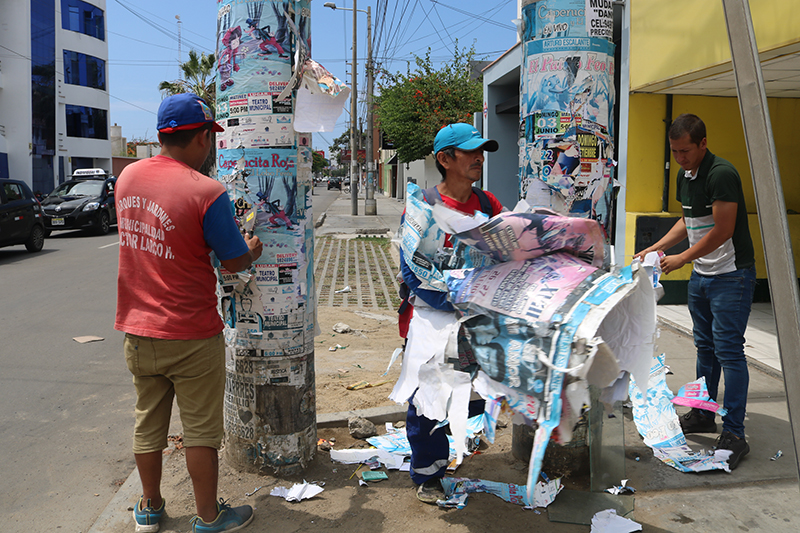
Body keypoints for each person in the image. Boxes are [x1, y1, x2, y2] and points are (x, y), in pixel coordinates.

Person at [115, 93, 262, 532]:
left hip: (138, 328)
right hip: (192, 333)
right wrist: (250, 248)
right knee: (200, 431)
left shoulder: (126, 178)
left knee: (148, 423)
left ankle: (151, 508)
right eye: (209, 137)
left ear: (162, 134)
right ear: (200, 138)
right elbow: (235, 260)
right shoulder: (207, 191)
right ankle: (208, 517)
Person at [635, 113, 756, 470]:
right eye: (674, 152)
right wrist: (655, 249)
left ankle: (734, 432)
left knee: (730, 353)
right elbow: (687, 222)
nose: (681, 158)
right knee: (704, 348)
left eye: (686, 151)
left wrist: (682, 258)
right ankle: (703, 414)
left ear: (703, 143)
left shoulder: (722, 174)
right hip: (703, 277)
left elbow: (722, 229)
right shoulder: (684, 176)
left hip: (731, 277)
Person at [400, 123, 504, 504]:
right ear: (445, 159)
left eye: (482, 151)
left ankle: (456, 441)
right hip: (435, 318)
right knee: (428, 394)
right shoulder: (423, 205)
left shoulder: (488, 205)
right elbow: (412, 268)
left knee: (472, 391)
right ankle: (428, 474)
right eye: (469, 152)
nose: (479, 158)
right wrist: (453, 301)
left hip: (476, 319)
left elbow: (506, 247)